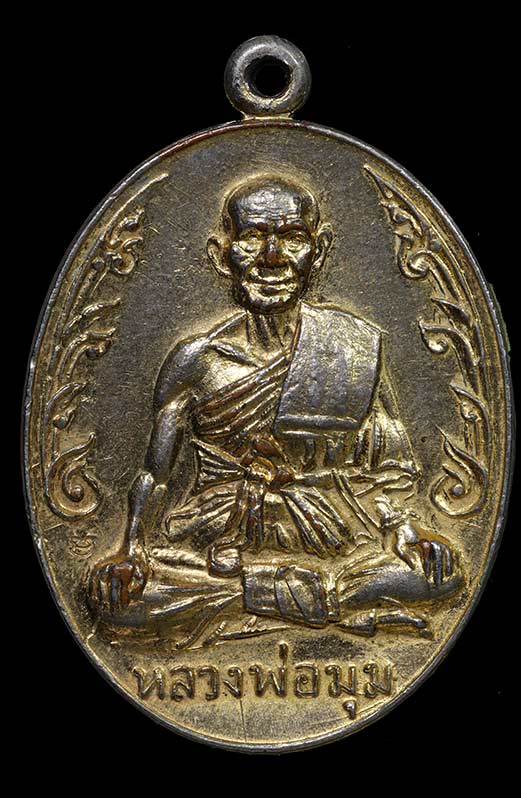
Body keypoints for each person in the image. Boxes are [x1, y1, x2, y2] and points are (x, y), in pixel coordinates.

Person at [89, 175, 461, 644]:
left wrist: (406, 531)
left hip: (334, 527)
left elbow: (385, 471)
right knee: (114, 600)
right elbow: (155, 475)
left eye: (292, 238)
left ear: (319, 252)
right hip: (218, 533)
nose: (271, 257)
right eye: (252, 237)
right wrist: (133, 548)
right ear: (220, 254)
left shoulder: (352, 347)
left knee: (441, 575)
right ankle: (323, 600)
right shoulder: (196, 360)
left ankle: (247, 599)